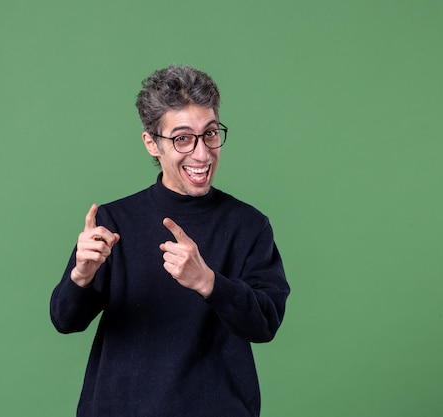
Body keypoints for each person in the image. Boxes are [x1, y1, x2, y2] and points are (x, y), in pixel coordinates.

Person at [50, 65, 290, 417]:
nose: (202, 154)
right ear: (152, 144)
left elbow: (266, 323)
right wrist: (80, 277)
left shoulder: (249, 225)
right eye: (182, 138)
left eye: (209, 134)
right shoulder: (114, 222)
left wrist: (208, 283)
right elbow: (64, 320)